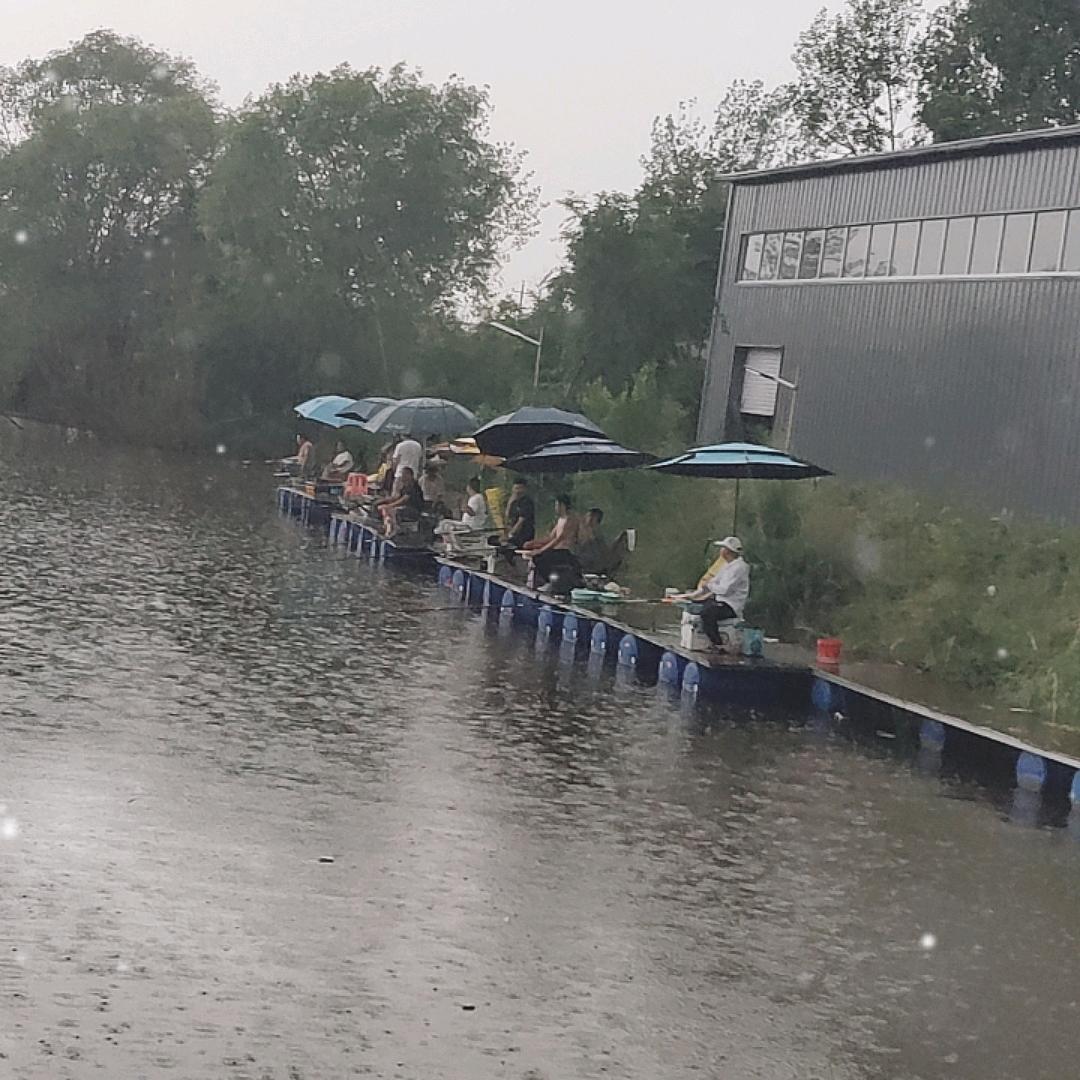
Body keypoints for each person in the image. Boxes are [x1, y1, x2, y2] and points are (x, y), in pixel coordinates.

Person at [677, 536, 750, 646]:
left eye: (723, 548)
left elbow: (724, 590)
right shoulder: (727, 565)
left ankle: (718, 644)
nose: (720, 551)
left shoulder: (739, 568)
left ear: (727, 551)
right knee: (697, 607)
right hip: (720, 601)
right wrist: (692, 595)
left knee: (707, 614)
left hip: (731, 606)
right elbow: (714, 581)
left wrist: (709, 586)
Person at [523, 493, 581, 592]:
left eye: (557, 505)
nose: (555, 508)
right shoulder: (560, 519)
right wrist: (532, 543)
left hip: (566, 552)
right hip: (557, 550)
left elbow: (558, 539)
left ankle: (550, 582)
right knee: (536, 555)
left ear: (562, 505)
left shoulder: (570, 519)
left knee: (539, 558)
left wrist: (540, 551)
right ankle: (537, 581)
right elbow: (551, 537)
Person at [433, 478, 489, 550]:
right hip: (469, 524)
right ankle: (451, 545)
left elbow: (472, 512)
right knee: (444, 523)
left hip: (470, 525)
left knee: (445, 523)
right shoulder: (477, 497)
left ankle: (455, 547)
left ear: (469, 487)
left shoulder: (475, 498)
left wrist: (464, 506)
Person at [377, 466, 424, 538]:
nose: (402, 476)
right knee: (385, 509)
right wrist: (384, 501)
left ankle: (394, 530)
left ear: (410, 475)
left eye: (404, 474)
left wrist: (389, 506)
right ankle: (386, 527)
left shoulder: (413, 486)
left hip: (413, 509)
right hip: (405, 507)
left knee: (392, 511)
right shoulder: (405, 486)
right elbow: (397, 497)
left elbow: (404, 499)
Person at [503, 478, 536, 548]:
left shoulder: (527, 502)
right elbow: (507, 517)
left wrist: (510, 535)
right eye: (516, 488)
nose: (517, 491)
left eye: (520, 488)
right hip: (514, 533)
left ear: (525, 489)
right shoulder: (513, 502)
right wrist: (509, 503)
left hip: (524, 535)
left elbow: (521, 521)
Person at [575, 507, 608, 574]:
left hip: (590, 567)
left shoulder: (598, 537)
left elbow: (600, 555)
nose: (585, 518)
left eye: (589, 516)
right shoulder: (582, 532)